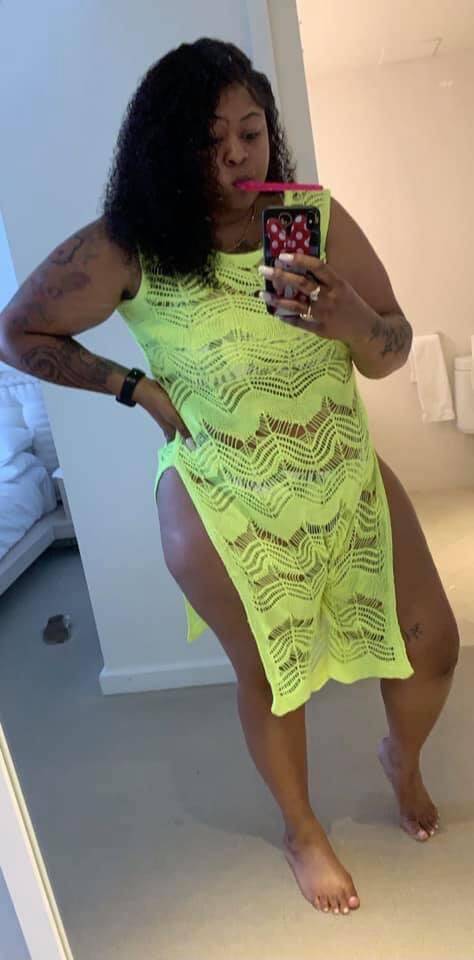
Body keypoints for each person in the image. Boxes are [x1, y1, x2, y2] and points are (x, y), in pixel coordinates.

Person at [0, 38, 459, 918]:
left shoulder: (309, 215)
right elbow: (19, 331)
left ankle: (400, 760)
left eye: (250, 132)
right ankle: (302, 830)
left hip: (341, 467)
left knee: (431, 642)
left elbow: (394, 347)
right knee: (271, 673)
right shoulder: (132, 245)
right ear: (165, 149)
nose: (237, 157)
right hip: (221, 492)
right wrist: (134, 387)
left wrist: (353, 321)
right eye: (209, 142)